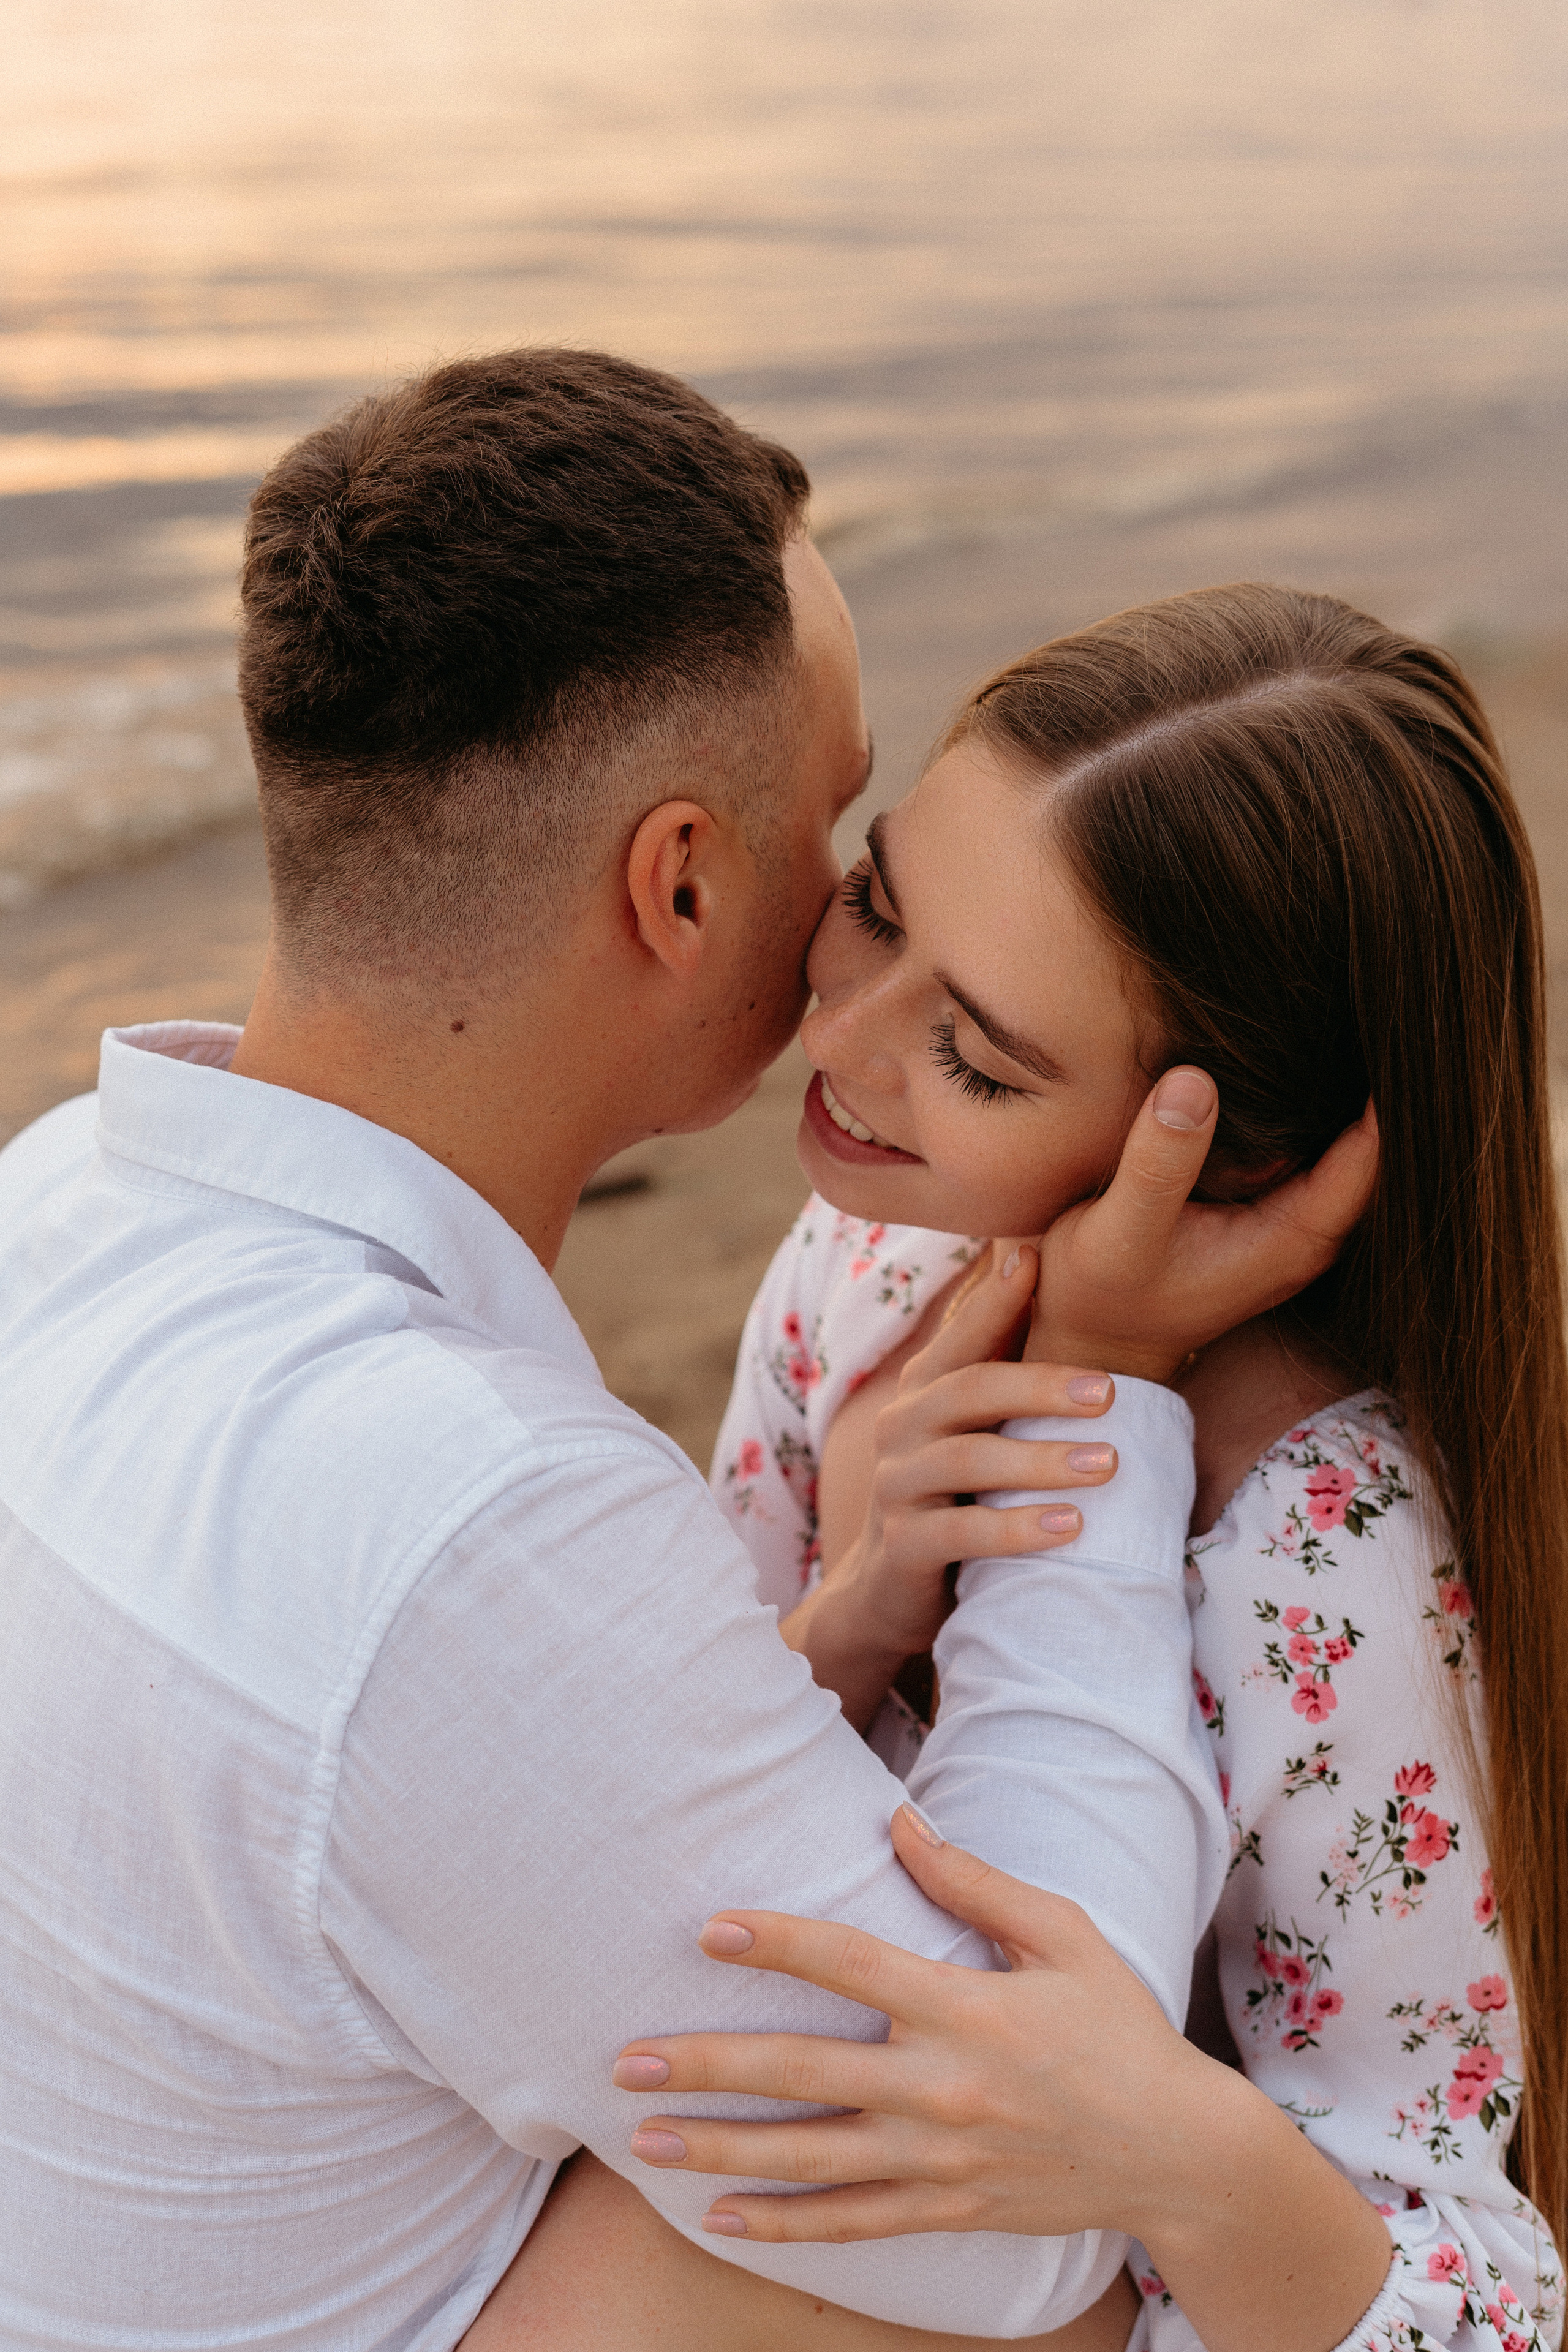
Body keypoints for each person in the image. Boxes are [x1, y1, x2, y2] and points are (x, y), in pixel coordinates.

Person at [0, 353, 1368, 2351]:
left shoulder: (53, 1206)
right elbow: (1014, 2221)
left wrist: (820, 1643)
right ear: (683, 883)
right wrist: (1099, 1395)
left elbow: (401, 1767)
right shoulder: (464, 1513)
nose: (850, 912)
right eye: (833, 826)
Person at [591, 586, 1567, 2352]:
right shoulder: (867, 1261)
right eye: (876, 904)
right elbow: (687, 1800)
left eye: (973, 1051)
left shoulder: (1326, 1559)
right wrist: (861, 1607)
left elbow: (1476, 2294)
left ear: (1227, 1152)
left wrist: (1167, 2139)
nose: (842, 1041)